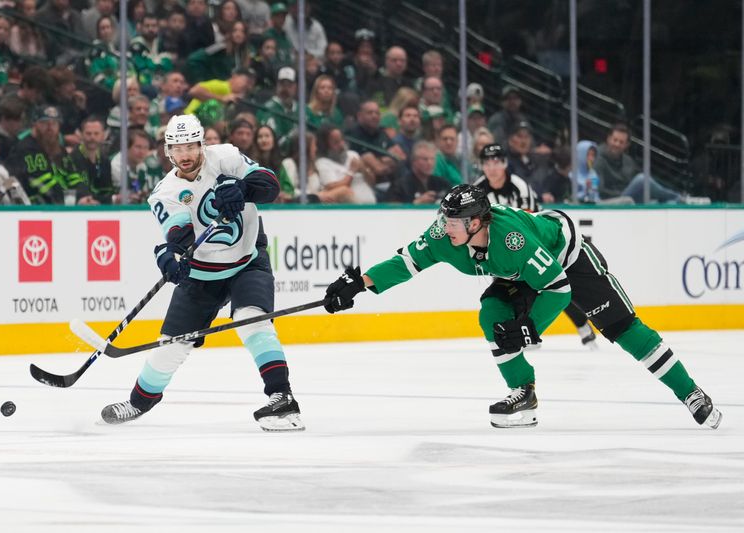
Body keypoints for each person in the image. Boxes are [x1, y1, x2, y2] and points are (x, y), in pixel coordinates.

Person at [324, 184, 723, 430]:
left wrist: (531, 326)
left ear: (478, 223)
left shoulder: (512, 239)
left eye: (454, 222)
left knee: (624, 329)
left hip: (566, 259)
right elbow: (405, 263)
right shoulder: (446, 234)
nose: (445, 228)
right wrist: (360, 285)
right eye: (445, 220)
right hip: (517, 272)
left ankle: (691, 393)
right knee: (493, 315)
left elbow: (559, 288)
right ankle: (523, 393)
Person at [101, 114, 305, 432]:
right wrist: (172, 256)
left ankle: (282, 397)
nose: (184, 155)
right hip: (202, 274)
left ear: (202, 144)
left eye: (190, 147)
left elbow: (270, 186)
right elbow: (180, 235)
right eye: (176, 148)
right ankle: (140, 402)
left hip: (247, 261)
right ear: (167, 152)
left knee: (251, 317)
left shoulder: (226, 157)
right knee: (172, 345)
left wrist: (243, 189)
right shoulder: (164, 192)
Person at [474, 143, 598, 348]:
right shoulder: (478, 190)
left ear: (504, 163)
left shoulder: (519, 187)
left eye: (496, 161)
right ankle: (527, 332)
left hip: (534, 242)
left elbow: (528, 223)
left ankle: (581, 324)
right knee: (517, 290)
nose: (492, 167)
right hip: (501, 248)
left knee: (551, 285)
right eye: (487, 162)